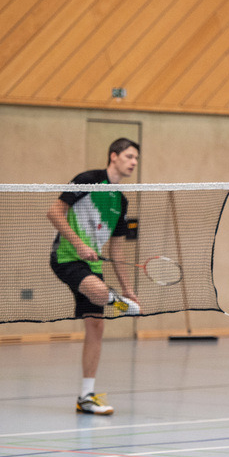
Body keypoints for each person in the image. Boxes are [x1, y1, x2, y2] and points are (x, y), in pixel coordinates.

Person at [47, 138, 142, 415]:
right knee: (100, 293)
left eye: (136, 158)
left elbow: (117, 248)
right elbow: (53, 212)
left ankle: (86, 397)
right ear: (113, 156)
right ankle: (121, 306)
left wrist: (128, 289)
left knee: (96, 328)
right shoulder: (88, 180)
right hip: (66, 256)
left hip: (93, 265)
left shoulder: (121, 201)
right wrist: (78, 244)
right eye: (129, 156)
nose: (133, 162)